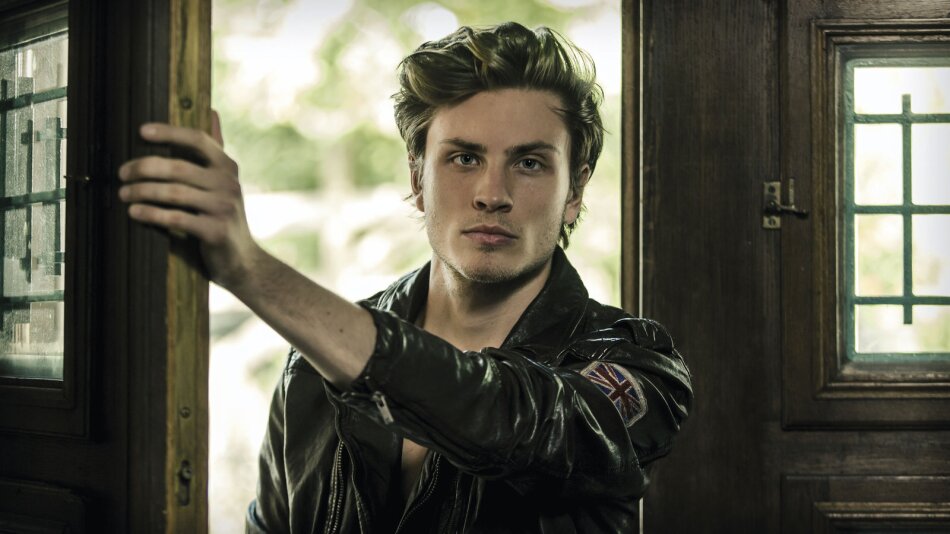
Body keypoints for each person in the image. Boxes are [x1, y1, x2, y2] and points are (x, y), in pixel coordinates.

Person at [118, 22, 692, 533]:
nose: (492, 193)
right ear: (418, 179)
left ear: (575, 192)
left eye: (529, 163)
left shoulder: (636, 362)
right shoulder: (313, 365)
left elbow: (516, 421)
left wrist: (252, 269)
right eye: (464, 158)